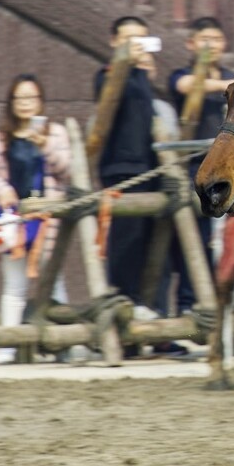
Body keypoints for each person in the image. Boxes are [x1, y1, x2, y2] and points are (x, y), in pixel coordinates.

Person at [0, 74, 72, 364]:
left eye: (31, 98)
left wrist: (44, 145)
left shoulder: (55, 132)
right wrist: (3, 190)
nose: (25, 104)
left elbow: (68, 171)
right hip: (16, 221)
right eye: (19, 98)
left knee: (53, 281)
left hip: (48, 218)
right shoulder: (3, 136)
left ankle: (65, 345)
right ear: (11, 103)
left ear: (41, 101)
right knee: (14, 285)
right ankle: (8, 345)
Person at [167, 17, 234, 317]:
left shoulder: (232, 77)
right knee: (192, 244)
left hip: (231, 171)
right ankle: (188, 308)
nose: (212, 46)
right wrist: (228, 86)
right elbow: (186, 86)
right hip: (194, 171)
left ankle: (221, 308)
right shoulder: (181, 75)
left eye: (217, 39)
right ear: (191, 44)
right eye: (204, 39)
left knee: (224, 243)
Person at [94, 16, 159, 310]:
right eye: (128, 39)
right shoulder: (106, 74)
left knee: (148, 240)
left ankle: (143, 303)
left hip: (149, 167)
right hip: (121, 168)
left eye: (141, 39)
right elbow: (110, 99)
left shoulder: (143, 76)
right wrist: (126, 63)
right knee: (124, 239)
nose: (136, 45)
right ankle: (122, 300)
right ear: (114, 41)